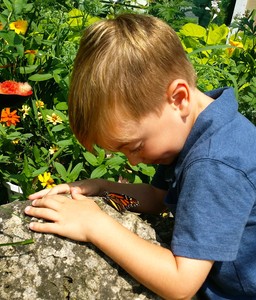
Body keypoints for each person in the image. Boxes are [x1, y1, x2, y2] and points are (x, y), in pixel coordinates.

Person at [24, 13, 256, 299]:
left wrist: (96, 225)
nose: (133, 161)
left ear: (179, 98)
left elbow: (180, 284)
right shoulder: (193, 128)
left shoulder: (215, 164)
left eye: (134, 146)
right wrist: (104, 189)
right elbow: (158, 199)